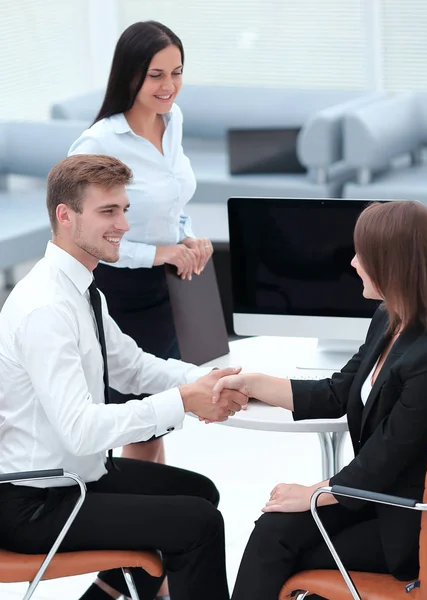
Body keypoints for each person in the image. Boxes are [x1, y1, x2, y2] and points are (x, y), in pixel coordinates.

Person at [0, 154, 247, 600]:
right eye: (108, 212)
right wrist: (184, 401)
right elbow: (80, 431)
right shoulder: (46, 308)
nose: (124, 226)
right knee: (199, 526)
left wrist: (212, 379)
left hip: (78, 479)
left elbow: (132, 365)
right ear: (65, 216)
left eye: (125, 210)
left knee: (200, 492)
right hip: (36, 503)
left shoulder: (80, 287)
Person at [211, 200, 427, 600]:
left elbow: (385, 459)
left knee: (284, 547)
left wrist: (313, 493)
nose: (354, 262)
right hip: (372, 499)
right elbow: (337, 392)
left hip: (409, 524)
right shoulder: (389, 318)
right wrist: (253, 383)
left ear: (392, 263)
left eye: (363, 254)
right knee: (273, 529)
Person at [68, 20, 213, 467]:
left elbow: (170, 199)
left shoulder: (173, 121)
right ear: (130, 74)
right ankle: (129, 521)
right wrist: (158, 252)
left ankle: (147, 523)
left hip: (166, 287)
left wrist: (184, 235)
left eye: (177, 72)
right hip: (119, 290)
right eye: (156, 75)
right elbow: (83, 233)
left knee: (158, 419)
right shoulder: (99, 142)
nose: (169, 86)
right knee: (133, 418)